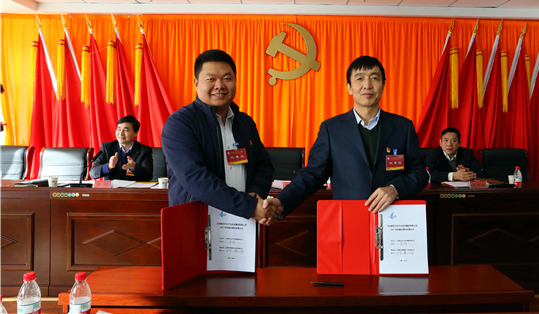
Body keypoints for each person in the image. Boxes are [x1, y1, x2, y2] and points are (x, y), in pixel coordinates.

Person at [264, 56, 428, 220]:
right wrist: (282, 201)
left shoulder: (403, 127)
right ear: (349, 87)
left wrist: (395, 189)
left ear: (383, 86)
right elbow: (312, 175)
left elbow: (419, 173)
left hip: (394, 218)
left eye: (374, 78)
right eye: (360, 79)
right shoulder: (331, 129)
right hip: (349, 218)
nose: (367, 85)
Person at [161, 49, 275, 222]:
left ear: (235, 81)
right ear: (196, 83)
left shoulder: (245, 122)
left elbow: (264, 164)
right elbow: (195, 178)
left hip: (243, 220)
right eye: (211, 79)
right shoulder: (180, 123)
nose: (219, 85)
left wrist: (255, 194)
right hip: (196, 221)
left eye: (227, 78)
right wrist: (250, 206)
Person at [90, 115, 154, 181]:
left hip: (133, 187)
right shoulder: (107, 148)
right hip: (112, 187)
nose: (121, 133)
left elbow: (148, 176)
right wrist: (109, 166)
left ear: (135, 133)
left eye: (126, 130)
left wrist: (134, 167)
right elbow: (93, 173)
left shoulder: (144, 150)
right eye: (119, 129)